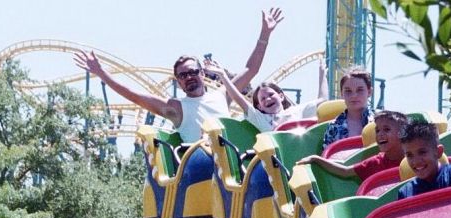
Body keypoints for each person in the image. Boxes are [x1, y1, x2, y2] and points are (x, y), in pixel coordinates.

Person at [73, 8, 284, 143]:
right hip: (200, 164)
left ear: (202, 73)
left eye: (193, 72)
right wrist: (102, 73)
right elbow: (134, 96)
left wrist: (265, 34)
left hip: (230, 158)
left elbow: (251, 70)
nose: (189, 77)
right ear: (179, 82)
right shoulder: (176, 107)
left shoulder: (222, 95)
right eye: (183, 75)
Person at [204, 58, 328, 132]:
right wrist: (223, 75)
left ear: (281, 96)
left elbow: (322, 101)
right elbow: (238, 98)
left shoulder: (297, 111)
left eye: (270, 94)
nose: (267, 99)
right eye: (262, 99)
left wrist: (322, 75)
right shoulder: (260, 119)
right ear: (260, 107)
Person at [295, 110, 407, 180]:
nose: (380, 134)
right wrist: (316, 159)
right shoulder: (375, 162)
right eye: (377, 131)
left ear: (402, 133)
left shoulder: (411, 159)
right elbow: (345, 171)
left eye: (386, 129)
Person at [397, 121, 451, 199]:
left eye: (422, 152)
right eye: (409, 155)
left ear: (438, 152)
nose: (416, 161)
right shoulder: (406, 193)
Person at [322, 66, 375, 149]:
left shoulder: (379, 123)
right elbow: (327, 154)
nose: (354, 96)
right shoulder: (333, 126)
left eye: (360, 90)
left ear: (369, 92)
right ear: (342, 94)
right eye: (348, 91)